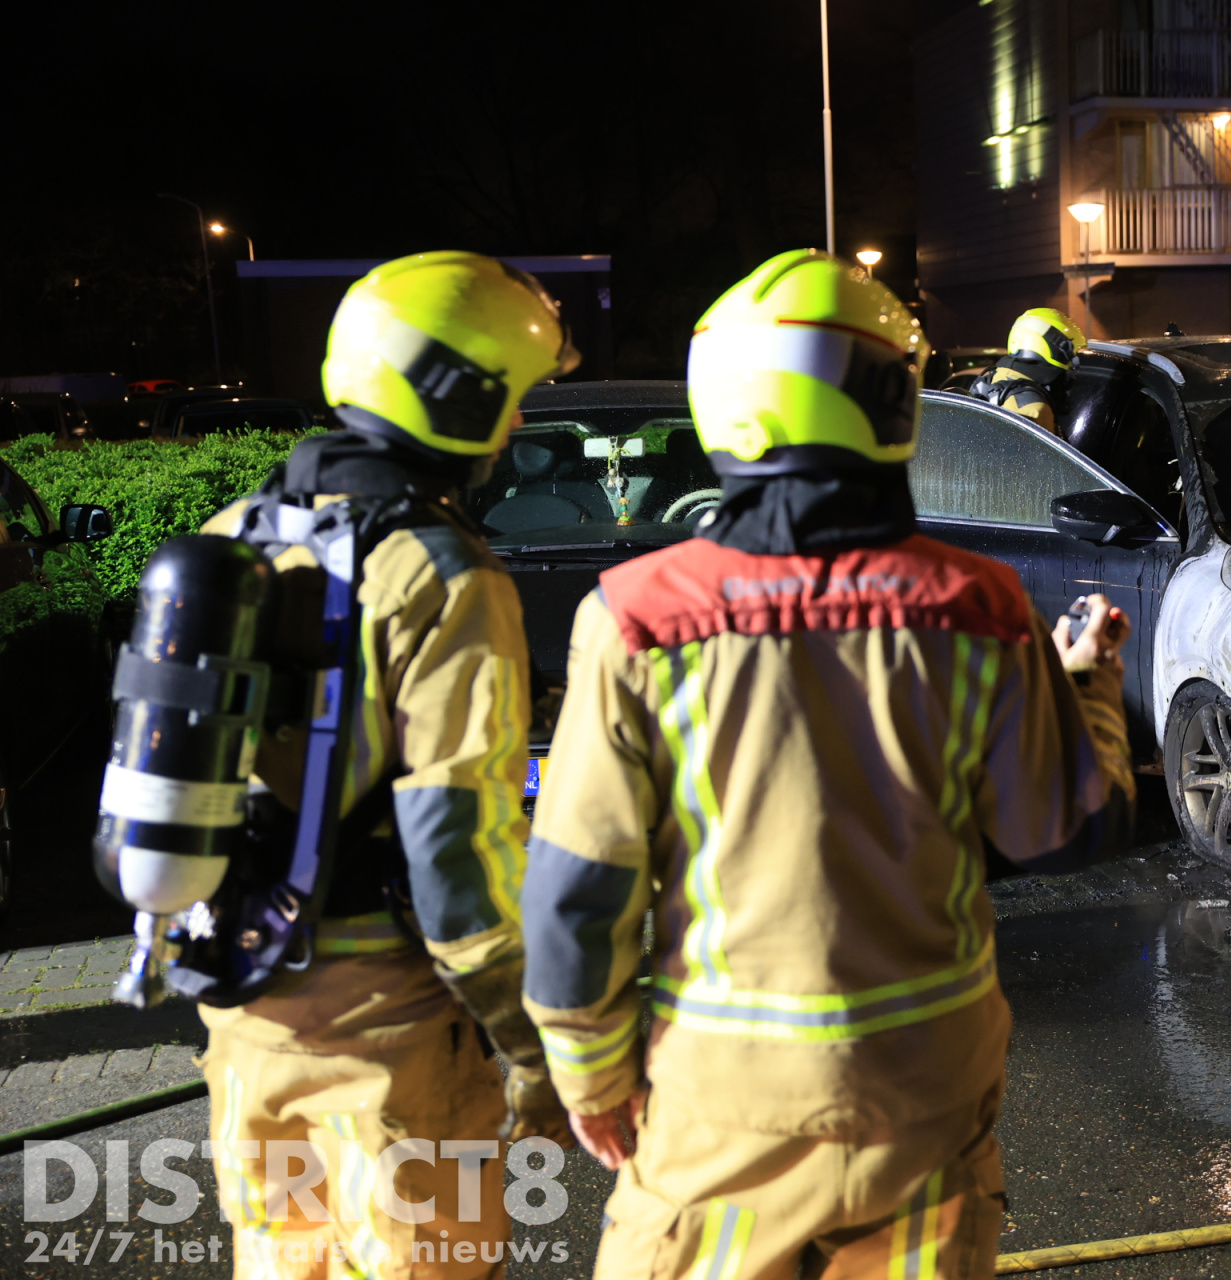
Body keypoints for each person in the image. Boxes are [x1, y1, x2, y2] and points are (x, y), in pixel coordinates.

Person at [522, 250, 1135, 1279]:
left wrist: (587, 1075)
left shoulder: (635, 618)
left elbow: (577, 893)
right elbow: (1063, 827)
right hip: (924, 1111)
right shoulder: (979, 607)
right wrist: (1089, 686)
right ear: (894, 398)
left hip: (722, 1113)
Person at [195, 252, 577, 1279]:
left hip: (249, 1009)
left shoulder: (238, 532)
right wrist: (536, 1050)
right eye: (515, 398)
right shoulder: (444, 573)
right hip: (394, 1034)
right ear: (464, 398)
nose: (518, 429)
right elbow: (459, 865)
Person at [968, 306, 1085, 433]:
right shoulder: (1034, 407)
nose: (1074, 361)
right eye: (1073, 352)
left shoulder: (993, 380)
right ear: (1059, 348)